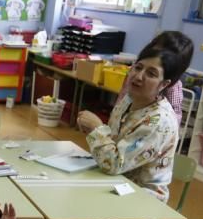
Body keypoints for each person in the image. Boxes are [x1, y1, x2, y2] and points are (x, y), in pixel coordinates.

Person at [76, 34, 193, 202]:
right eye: (138, 68)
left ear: (165, 84)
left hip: (140, 198)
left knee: (78, 204)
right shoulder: (129, 99)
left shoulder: (158, 121)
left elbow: (115, 163)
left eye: (151, 74)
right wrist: (94, 131)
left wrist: (97, 129)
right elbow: (115, 141)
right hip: (116, 181)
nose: (138, 76)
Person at [114, 31, 191, 122]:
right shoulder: (136, 68)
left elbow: (174, 115)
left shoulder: (172, 87)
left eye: (151, 74)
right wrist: (116, 113)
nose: (139, 77)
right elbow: (123, 94)